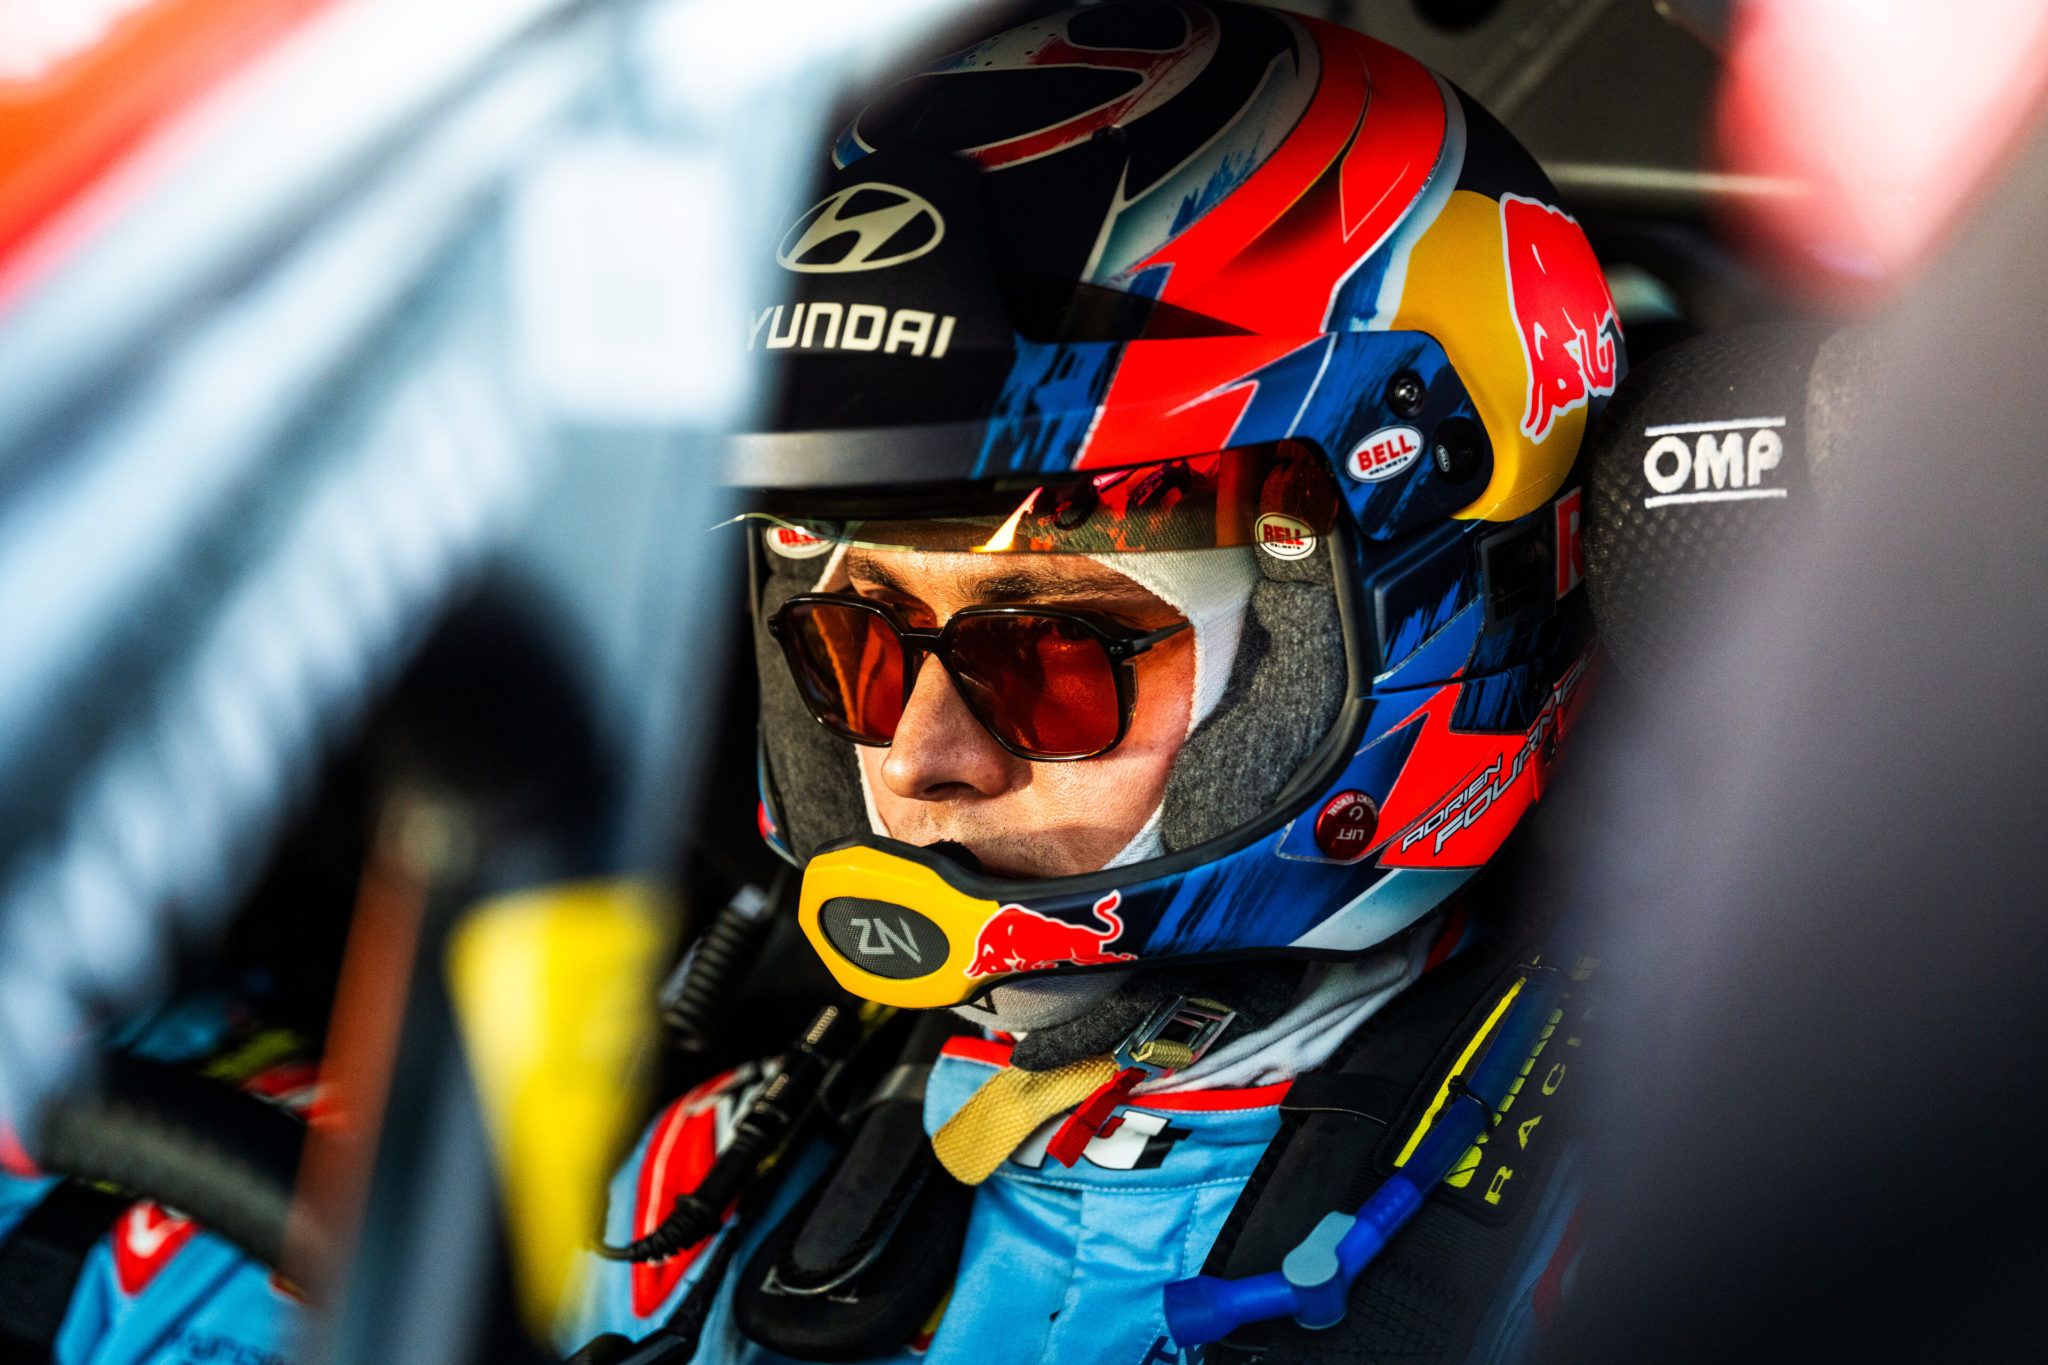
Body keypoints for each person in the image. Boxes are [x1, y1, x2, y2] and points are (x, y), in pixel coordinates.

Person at [564, 3, 1621, 1363]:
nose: (920, 760)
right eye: (852, 653)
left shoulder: (1687, 1226)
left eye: (1052, 659)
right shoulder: (706, 1193)